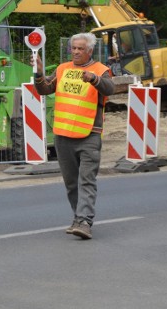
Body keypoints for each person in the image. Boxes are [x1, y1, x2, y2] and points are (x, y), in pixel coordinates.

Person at [33, 32, 115, 240]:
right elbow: (44, 89)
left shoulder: (101, 70)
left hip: (89, 135)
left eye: (80, 48)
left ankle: (85, 222)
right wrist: (38, 73)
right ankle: (78, 218)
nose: (76, 51)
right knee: (71, 183)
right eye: (74, 48)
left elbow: (110, 89)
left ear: (89, 50)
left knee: (86, 180)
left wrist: (94, 79)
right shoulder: (63, 69)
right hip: (63, 135)